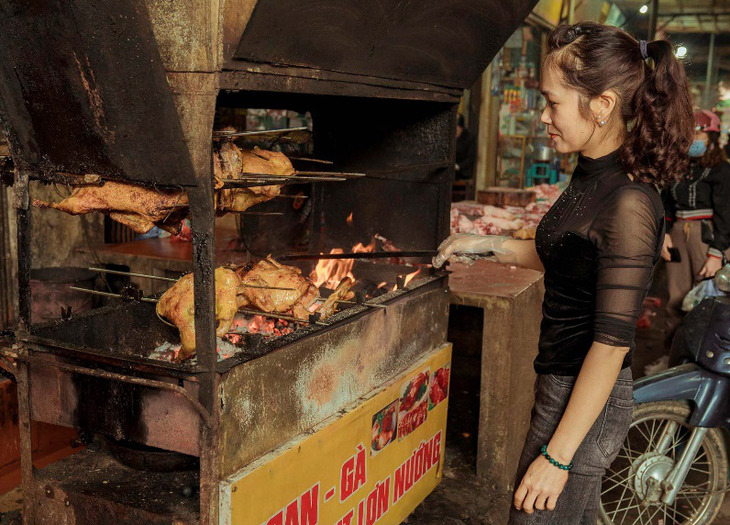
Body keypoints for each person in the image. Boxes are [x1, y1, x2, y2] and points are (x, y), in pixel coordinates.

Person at [433, 22, 693, 524]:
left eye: (552, 102)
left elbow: (612, 344)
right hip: (561, 386)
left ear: (601, 105)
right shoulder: (593, 173)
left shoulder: (629, 201)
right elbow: (568, 255)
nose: (543, 116)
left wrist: (557, 457)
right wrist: (485, 244)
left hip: (585, 401)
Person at [662, 109, 730, 347]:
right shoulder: (678, 166)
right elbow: (667, 203)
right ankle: (672, 356)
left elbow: (726, 214)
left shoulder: (721, 170)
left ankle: (703, 356)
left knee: (706, 299)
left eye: (698, 134)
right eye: (688, 133)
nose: (692, 139)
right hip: (679, 234)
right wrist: (665, 235)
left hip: (707, 236)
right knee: (676, 297)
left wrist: (716, 253)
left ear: (712, 137)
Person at [455, 113, 477, 181]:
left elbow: (471, 158)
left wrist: (458, 166)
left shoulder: (469, 137)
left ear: (460, 127)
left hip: (463, 171)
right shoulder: (450, 136)